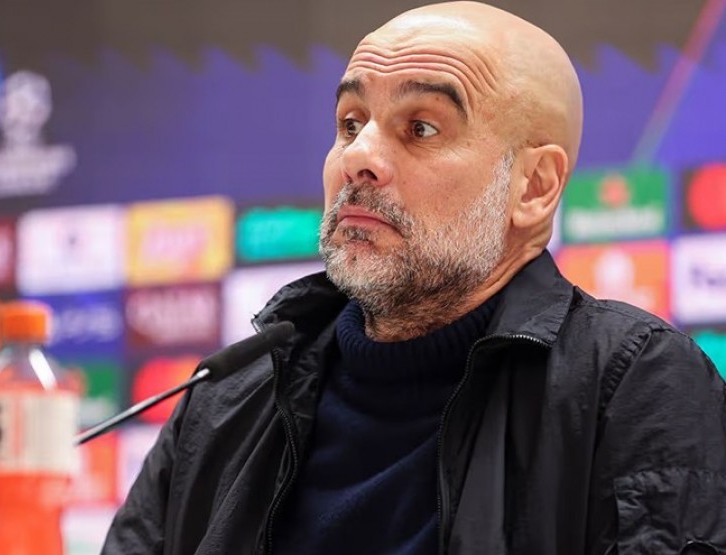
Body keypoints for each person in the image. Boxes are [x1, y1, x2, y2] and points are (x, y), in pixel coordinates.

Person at [102, 2, 726, 554]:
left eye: (420, 128)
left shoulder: (632, 384)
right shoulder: (226, 398)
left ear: (533, 187)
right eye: (351, 124)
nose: (359, 158)